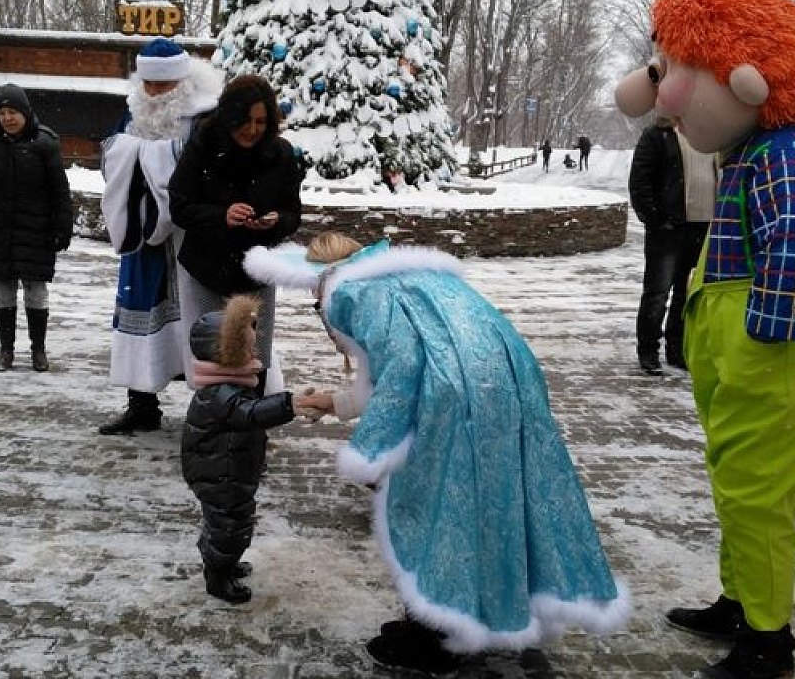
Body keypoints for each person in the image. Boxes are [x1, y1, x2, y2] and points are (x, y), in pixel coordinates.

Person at [614, 0, 795, 678]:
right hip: (747, 337)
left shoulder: (789, 154)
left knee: (758, 485)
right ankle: (743, 599)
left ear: (754, 75)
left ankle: (767, 639)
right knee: (738, 477)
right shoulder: (751, 151)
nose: (664, 92)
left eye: (688, 70)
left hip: (779, 341)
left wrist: (765, 335)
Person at [247, 232, 630, 676]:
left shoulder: (353, 292)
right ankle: (477, 611)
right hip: (503, 389)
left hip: (452, 404)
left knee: (434, 509)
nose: (319, 305)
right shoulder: (413, 279)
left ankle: (439, 633)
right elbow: (401, 368)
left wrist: (372, 449)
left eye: (315, 298)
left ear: (324, 278)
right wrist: (331, 402)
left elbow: (404, 371)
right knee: (494, 502)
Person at [96, 38, 223, 436]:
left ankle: (214, 407)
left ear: (181, 82)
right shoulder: (131, 115)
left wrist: (157, 162)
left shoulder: (204, 116)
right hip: (145, 240)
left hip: (192, 236)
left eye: (162, 86)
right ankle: (142, 405)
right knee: (142, 311)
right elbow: (110, 159)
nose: (154, 93)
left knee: (202, 318)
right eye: (148, 84)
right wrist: (137, 158)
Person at [168, 74, 305, 394]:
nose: (253, 129)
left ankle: (251, 433)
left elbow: (293, 213)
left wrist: (276, 221)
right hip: (207, 268)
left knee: (255, 357)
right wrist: (222, 215)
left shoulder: (281, 154)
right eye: (245, 120)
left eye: (260, 121)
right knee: (214, 357)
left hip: (256, 271)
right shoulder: (203, 146)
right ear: (229, 115)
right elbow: (179, 205)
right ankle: (213, 430)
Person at [181, 294, 312, 604]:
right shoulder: (219, 393)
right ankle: (217, 575)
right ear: (227, 351)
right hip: (218, 473)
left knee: (223, 522)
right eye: (247, 344)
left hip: (226, 470)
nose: (254, 348)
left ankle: (220, 560)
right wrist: (290, 404)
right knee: (231, 525)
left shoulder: (228, 386)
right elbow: (249, 414)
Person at [0, 83, 73, 372]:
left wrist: (63, 226)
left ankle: (38, 350)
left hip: (36, 231)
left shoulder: (45, 143)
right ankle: (6, 350)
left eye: (12, 112)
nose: (7, 118)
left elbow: (60, 191)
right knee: (3, 293)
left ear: (25, 112)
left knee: (36, 291)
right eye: (2, 113)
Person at [628, 117, 713, 375]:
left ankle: (677, 349)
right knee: (657, 292)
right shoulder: (658, 135)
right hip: (667, 229)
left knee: (686, 295)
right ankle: (648, 351)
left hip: (702, 227)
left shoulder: (712, 135)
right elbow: (640, 181)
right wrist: (655, 219)